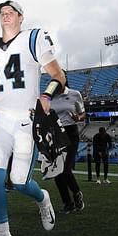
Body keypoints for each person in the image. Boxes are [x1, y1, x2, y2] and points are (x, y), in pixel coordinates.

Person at [0, 0, 66, 236]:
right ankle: (3, 235)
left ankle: (42, 198)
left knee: (19, 182)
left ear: (21, 17)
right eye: (2, 12)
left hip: (26, 120)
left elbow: (58, 76)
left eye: (11, 12)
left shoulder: (34, 38)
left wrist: (46, 96)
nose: (5, 15)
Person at [50, 72, 85, 213]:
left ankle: (77, 193)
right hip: (55, 134)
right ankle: (67, 203)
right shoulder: (49, 96)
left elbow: (83, 113)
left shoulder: (75, 94)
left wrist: (79, 117)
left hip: (70, 133)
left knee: (65, 169)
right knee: (57, 171)